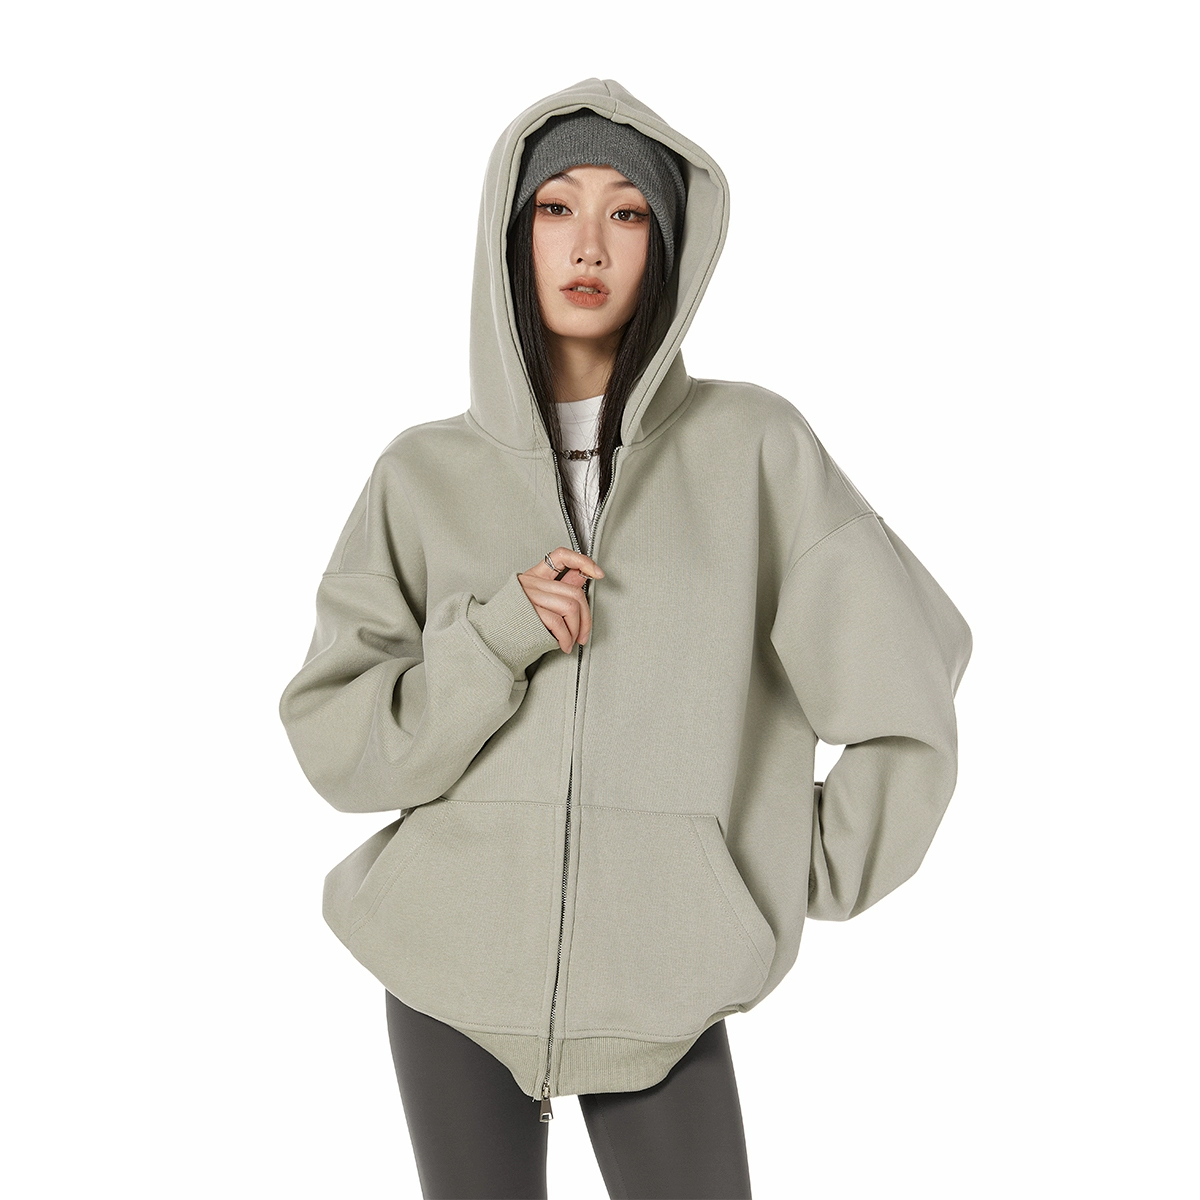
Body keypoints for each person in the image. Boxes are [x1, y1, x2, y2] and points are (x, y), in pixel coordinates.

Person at [278, 77, 973, 1200]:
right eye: (557, 208)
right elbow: (340, 748)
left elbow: (907, 690)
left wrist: (762, 873)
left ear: (669, 246)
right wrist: (494, 638)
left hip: (668, 980)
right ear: (513, 235)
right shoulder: (420, 474)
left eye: (628, 212)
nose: (589, 244)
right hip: (447, 969)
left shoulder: (756, 449)